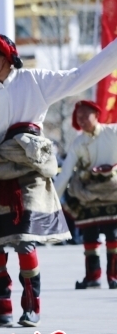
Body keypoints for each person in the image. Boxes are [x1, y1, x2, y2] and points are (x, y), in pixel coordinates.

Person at [0, 32, 117, 328]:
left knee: (24, 240)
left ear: (6, 57)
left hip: (29, 171)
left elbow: (81, 76)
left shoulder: (35, 80)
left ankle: (32, 307)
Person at [54, 101, 117, 289]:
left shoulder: (113, 132)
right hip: (87, 196)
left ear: (96, 115)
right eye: (78, 116)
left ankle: (113, 276)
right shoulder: (78, 142)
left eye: (85, 115)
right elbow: (65, 173)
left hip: (112, 193)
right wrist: (53, 199)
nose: (81, 120)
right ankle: (93, 277)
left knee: (113, 237)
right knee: (89, 237)